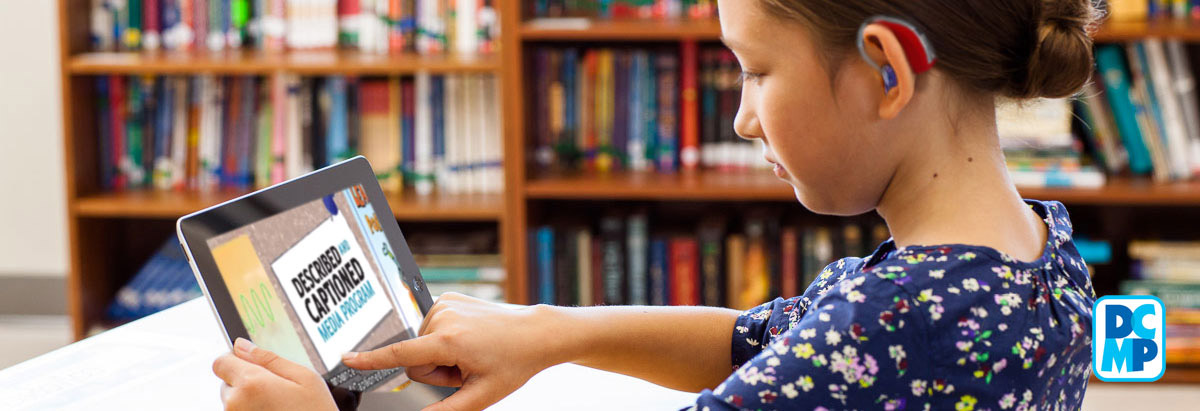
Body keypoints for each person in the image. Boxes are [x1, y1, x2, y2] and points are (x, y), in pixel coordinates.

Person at [212, 0, 1101, 409]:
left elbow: (828, 350)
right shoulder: (1038, 255)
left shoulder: (898, 322)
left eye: (756, 72)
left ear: (886, 69)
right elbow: (762, 341)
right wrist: (550, 330)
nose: (744, 119)